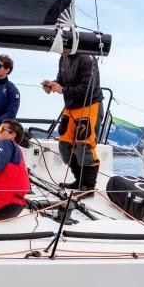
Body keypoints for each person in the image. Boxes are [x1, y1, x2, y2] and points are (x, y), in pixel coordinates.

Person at [41, 49, 103, 191]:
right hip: (70, 107)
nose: (59, 53)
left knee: (84, 146)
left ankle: (89, 186)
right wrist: (52, 84)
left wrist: (62, 89)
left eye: (61, 49)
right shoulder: (63, 59)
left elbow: (87, 88)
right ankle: (79, 180)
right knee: (65, 146)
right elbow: (61, 82)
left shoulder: (87, 59)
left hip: (89, 106)